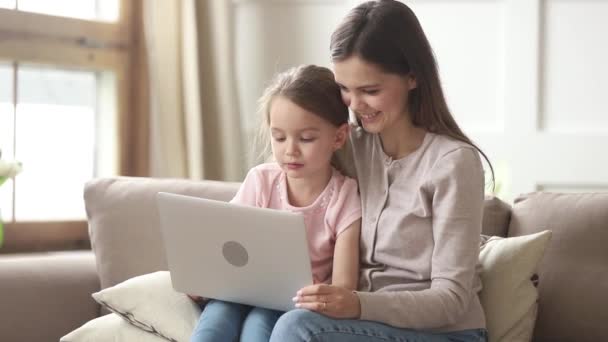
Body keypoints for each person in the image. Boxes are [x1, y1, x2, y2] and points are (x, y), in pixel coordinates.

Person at [271, 1, 493, 341]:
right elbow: (279, 180)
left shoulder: (453, 163)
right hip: (357, 324)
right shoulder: (347, 148)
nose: (355, 106)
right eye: (344, 89)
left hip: (445, 332)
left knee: (295, 328)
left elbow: (452, 299)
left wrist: (359, 305)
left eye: (370, 91)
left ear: (412, 77)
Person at [189, 64, 362, 342]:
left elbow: (344, 286)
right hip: (240, 288)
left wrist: (319, 294)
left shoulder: (344, 196)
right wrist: (204, 278)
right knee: (215, 324)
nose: (290, 149)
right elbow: (222, 241)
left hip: (290, 302)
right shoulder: (261, 180)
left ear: (339, 137)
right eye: (279, 137)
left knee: (258, 327)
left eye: (306, 138)